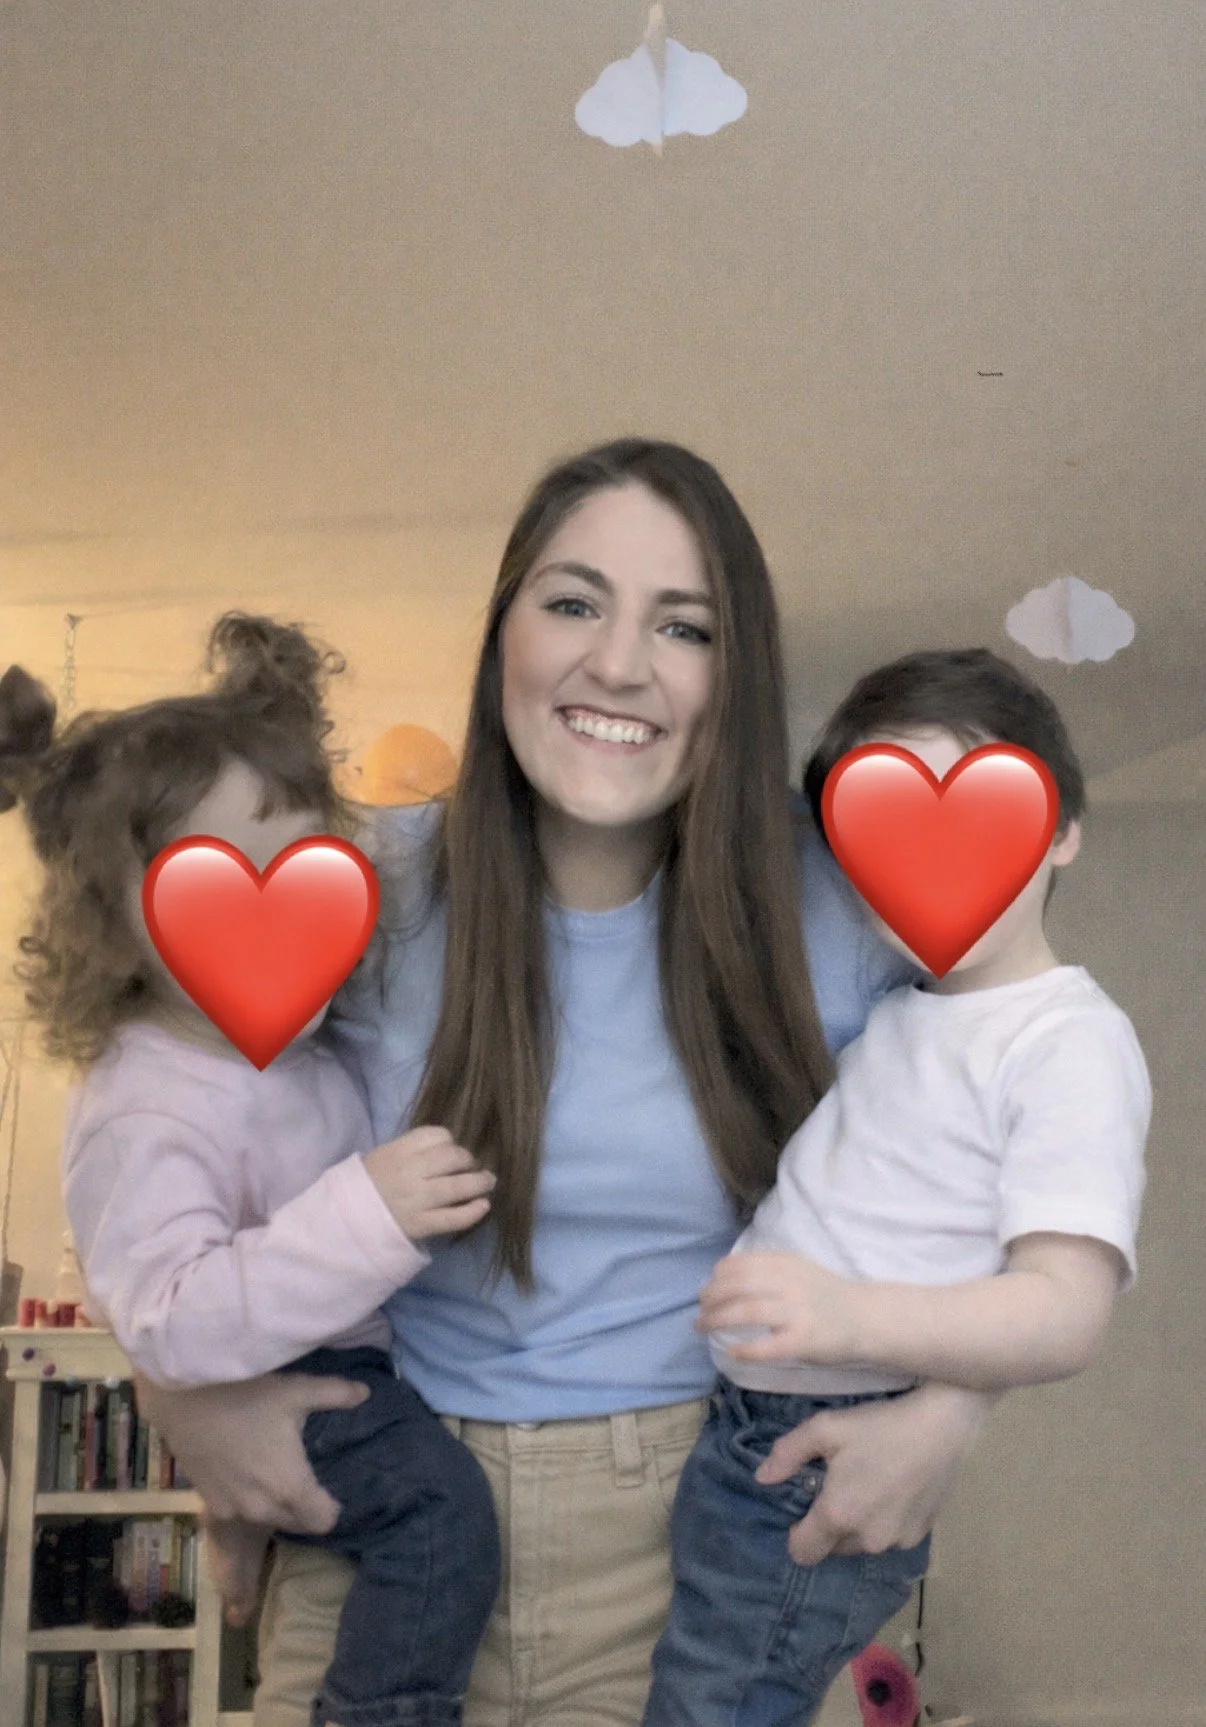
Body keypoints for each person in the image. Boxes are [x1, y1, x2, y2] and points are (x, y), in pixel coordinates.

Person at [132, 442, 1006, 1727]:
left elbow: (1035, 1162)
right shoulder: (354, 888)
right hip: (393, 1516)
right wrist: (179, 1390)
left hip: (704, 1536)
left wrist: (953, 1408)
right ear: (502, 639)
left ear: (735, 672)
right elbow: (158, 1122)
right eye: (575, 601)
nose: (619, 663)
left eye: (685, 624)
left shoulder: (849, 896)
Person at [0, 619, 501, 1727]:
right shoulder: (141, 1097)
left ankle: (245, 1529)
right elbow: (173, 1320)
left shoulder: (308, 1044)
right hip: (309, 1372)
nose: (280, 907)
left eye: (308, 864)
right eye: (219, 877)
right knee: (441, 1514)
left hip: (361, 1359)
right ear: (116, 925)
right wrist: (370, 1208)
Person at [642, 648, 1150, 1725]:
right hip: (745, 1421)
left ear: (1058, 830)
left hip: (828, 1436)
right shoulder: (907, 1009)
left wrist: (850, 1314)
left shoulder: (1067, 1042)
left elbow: (1065, 1311)